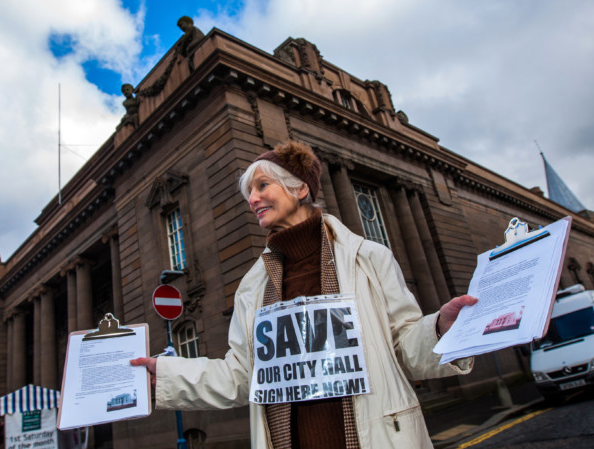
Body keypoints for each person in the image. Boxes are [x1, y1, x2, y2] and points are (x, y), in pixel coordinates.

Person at [131, 141, 477, 448]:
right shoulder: (253, 287)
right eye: (249, 192)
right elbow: (240, 376)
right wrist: (166, 375)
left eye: (262, 185)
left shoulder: (369, 258)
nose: (252, 199)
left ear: (299, 189)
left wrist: (442, 329)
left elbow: (403, 347)